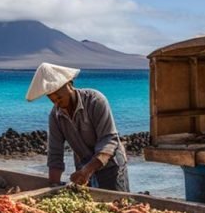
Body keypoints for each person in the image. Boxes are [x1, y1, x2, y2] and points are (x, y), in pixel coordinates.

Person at [25, 63, 129, 191]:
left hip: (111, 165)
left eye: (59, 96)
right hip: (83, 167)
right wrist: (53, 186)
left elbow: (109, 140)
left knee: (118, 205)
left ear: (70, 84)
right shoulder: (55, 116)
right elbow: (55, 154)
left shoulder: (95, 101)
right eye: (53, 99)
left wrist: (87, 170)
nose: (57, 102)